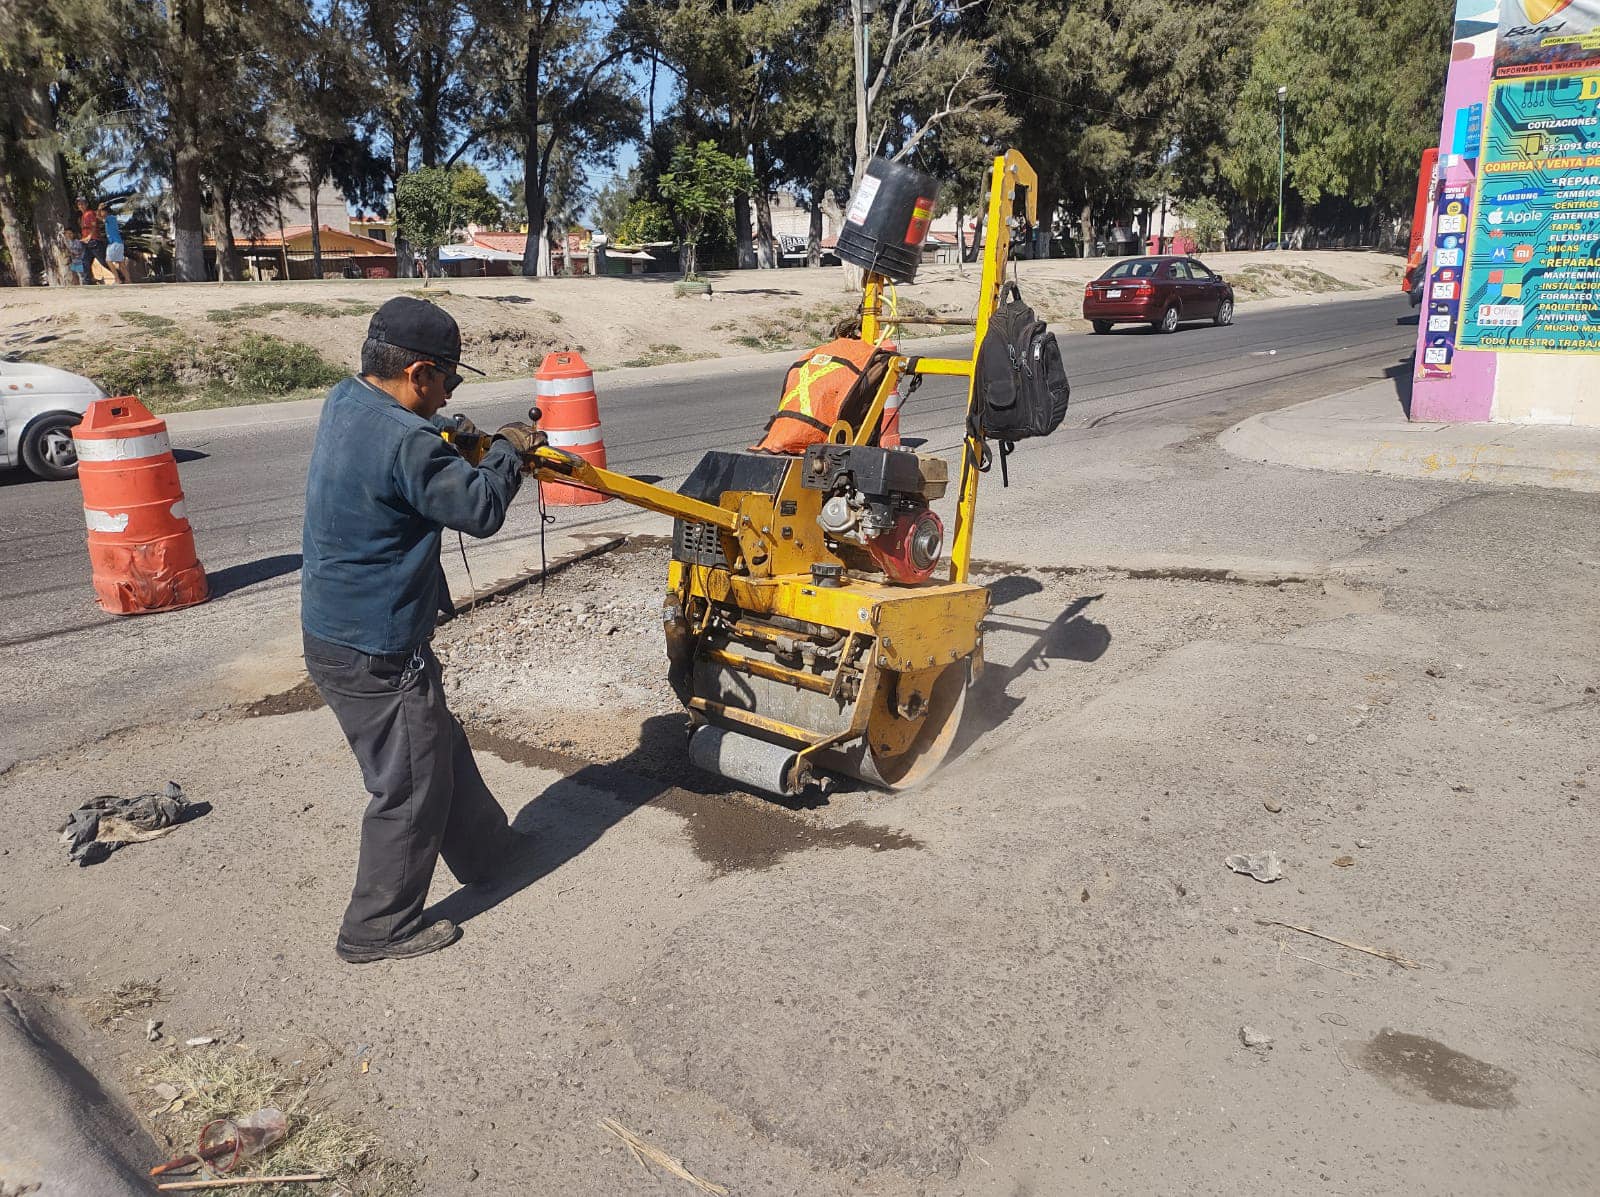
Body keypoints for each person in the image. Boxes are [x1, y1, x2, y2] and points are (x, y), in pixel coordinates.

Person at [300, 296, 545, 964]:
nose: (447, 394)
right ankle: (377, 925)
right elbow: (479, 507)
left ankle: (490, 852)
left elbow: (410, 463)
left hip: (339, 629)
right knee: (408, 780)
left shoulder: (347, 402)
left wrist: (450, 435)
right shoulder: (407, 439)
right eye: (447, 381)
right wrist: (506, 453)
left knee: (432, 741)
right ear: (417, 373)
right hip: (373, 646)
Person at [76, 198, 104, 282]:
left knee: (103, 261)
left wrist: (90, 236)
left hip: (93, 241)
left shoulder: (90, 213)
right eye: (79, 204)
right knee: (85, 261)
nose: (81, 206)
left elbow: (94, 226)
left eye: (83, 204)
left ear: (86, 204)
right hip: (86, 243)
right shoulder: (83, 216)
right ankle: (87, 281)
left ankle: (120, 277)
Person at [99, 203, 127, 283]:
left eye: (102, 211)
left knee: (108, 261)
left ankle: (117, 279)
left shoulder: (110, 218)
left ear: (106, 212)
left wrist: (99, 208)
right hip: (118, 243)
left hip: (114, 243)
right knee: (121, 263)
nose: (101, 213)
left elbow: (99, 217)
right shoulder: (111, 219)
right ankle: (128, 279)